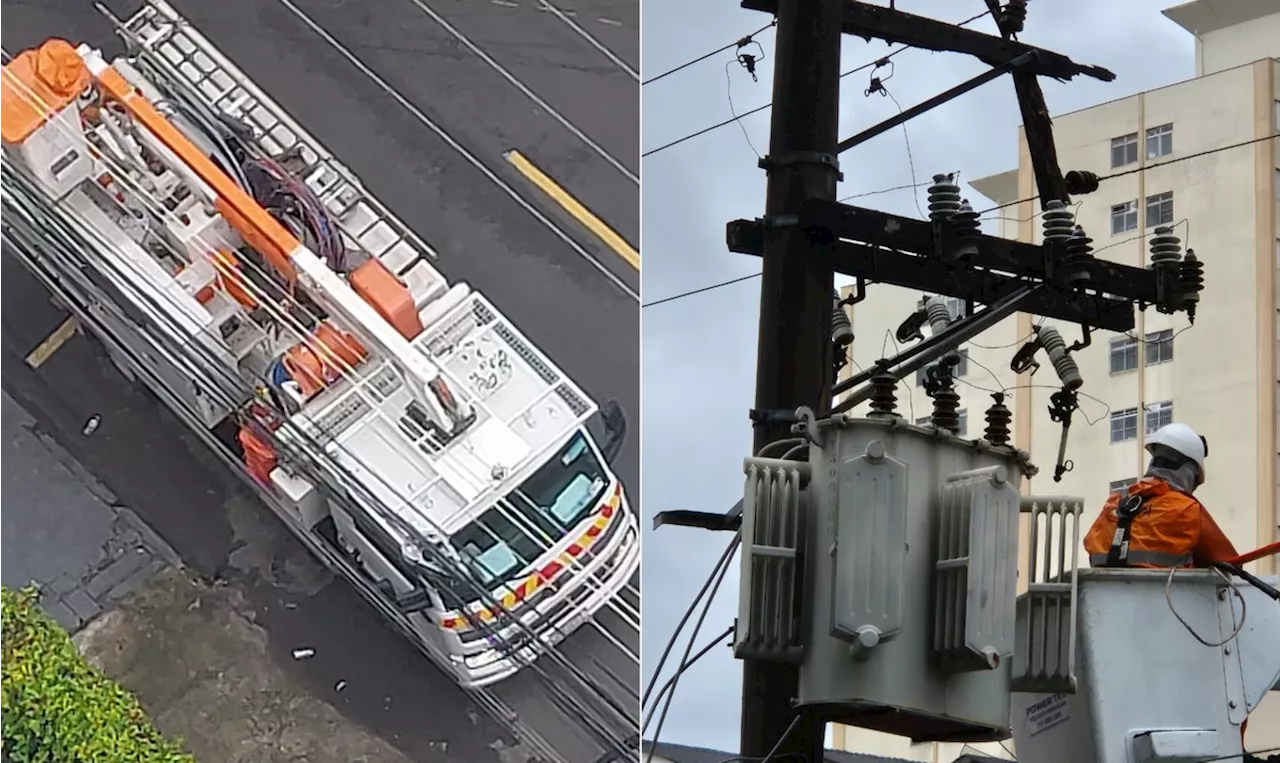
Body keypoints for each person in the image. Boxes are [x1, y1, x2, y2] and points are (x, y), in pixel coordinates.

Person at [1083, 422, 1238, 570]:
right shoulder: (1187, 509)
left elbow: (1092, 551)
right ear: (1188, 471)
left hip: (1102, 595)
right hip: (1170, 597)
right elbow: (1231, 563)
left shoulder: (1113, 505)